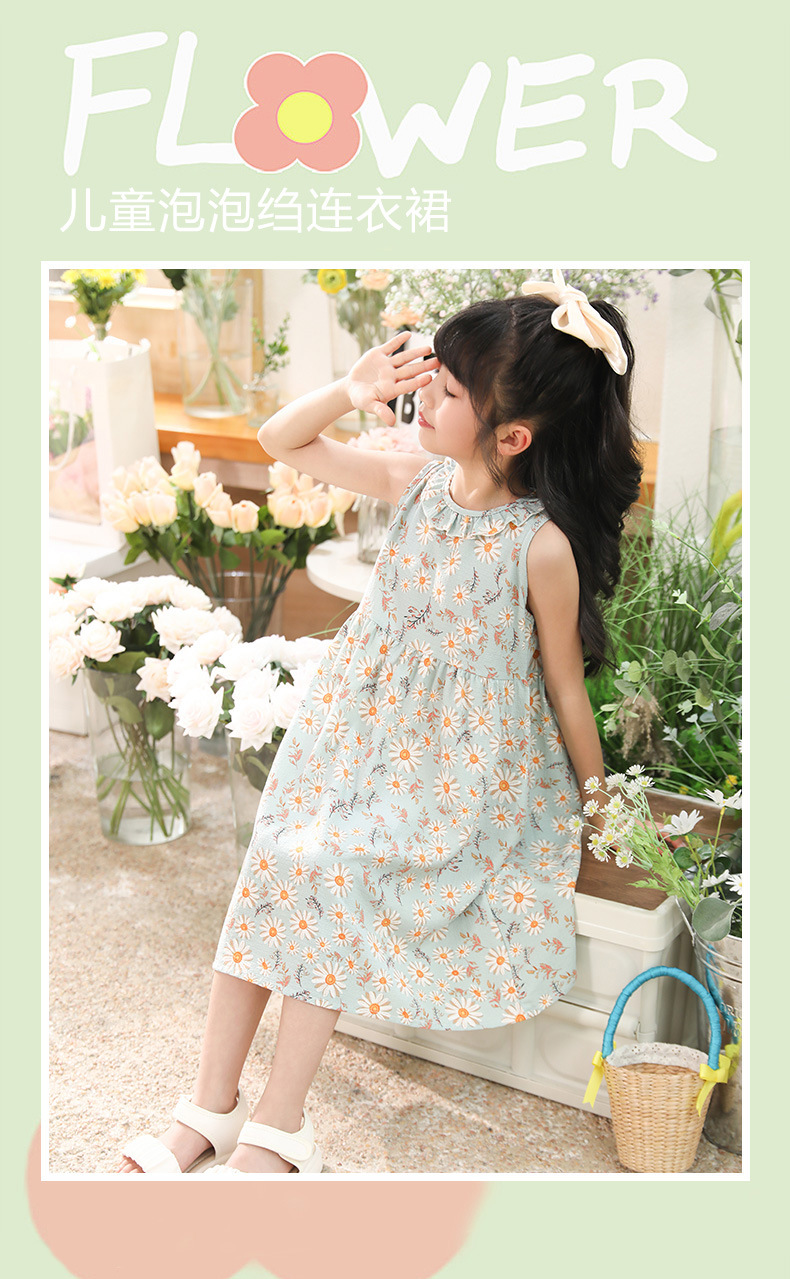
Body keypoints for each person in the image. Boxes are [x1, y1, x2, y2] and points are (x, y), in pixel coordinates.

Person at [118, 270, 641, 1176]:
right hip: (358, 740)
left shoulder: (541, 545)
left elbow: (565, 687)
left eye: (448, 390)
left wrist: (601, 808)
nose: (423, 394)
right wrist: (352, 387)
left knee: (334, 869)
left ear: (512, 436)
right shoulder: (416, 480)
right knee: (274, 857)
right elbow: (282, 440)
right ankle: (210, 1105)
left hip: (463, 775)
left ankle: (282, 1122)